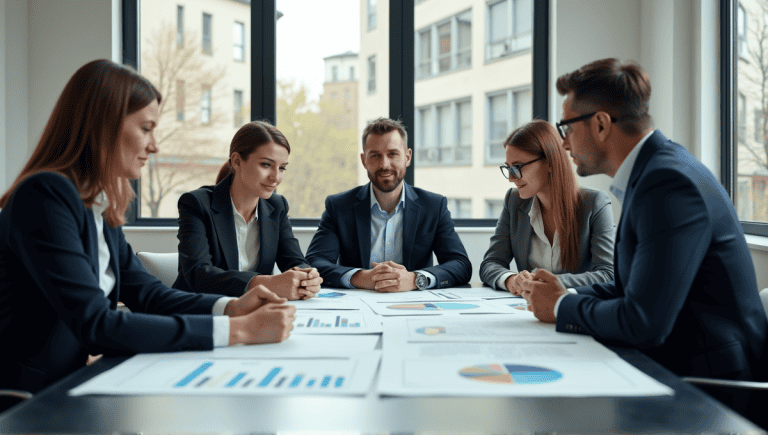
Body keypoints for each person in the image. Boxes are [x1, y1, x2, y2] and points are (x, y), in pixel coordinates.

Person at [0, 59, 296, 394]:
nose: (154, 146)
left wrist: (231, 307)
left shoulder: (97, 205)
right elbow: (96, 323)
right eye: (146, 128)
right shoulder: (44, 196)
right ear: (104, 125)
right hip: (23, 401)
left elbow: (148, 294)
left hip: (68, 384)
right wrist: (238, 330)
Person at [520, 58, 767, 384]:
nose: (563, 143)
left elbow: (643, 321)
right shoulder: (656, 171)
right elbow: (633, 288)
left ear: (601, 124)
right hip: (686, 363)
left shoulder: (667, 184)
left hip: (713, 385)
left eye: (567, 128)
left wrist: (561, 306)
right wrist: (561, 289)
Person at [305, 117, 472, 291]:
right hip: (359, 306)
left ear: (407, 157)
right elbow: (314, 263)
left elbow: (461, 265)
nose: (384, 164)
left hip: (415, 307)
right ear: (364, 161)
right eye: (375, 155)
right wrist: (362, 277)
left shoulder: (433, 206)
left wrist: (415, 279)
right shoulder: (339, 206)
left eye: (393, 154)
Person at [173, 121, 322, 300]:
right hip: (201, 312)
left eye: (282, 168)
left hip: (254, 312)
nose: (276, 177)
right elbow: (199, 275)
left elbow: (293, 260)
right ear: (237, 161)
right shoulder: (197, 203)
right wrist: (266, 284)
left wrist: (307, 276)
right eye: (266, 165)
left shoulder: (277, 206)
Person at [479, 120, 615, 294]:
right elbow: (490, 263)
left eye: (517, 167)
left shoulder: (594, 203)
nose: (511, 178)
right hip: (527, 310)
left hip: (574, 308)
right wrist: (511, 280)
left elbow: (608, 274)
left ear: (550, 162)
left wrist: (548, 282)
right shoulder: (513, 201)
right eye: (508, 168)